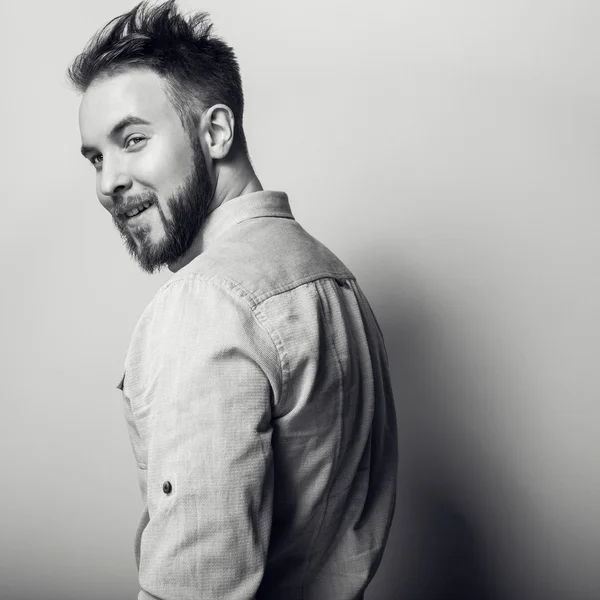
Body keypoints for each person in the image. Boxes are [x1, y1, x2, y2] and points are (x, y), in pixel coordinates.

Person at [68, 1, 398, 598]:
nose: (107, 181)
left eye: (133, 140)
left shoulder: (205, 303)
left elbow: (197, 585)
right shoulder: (335, 280)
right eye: (96, 157)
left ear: (215, 131)